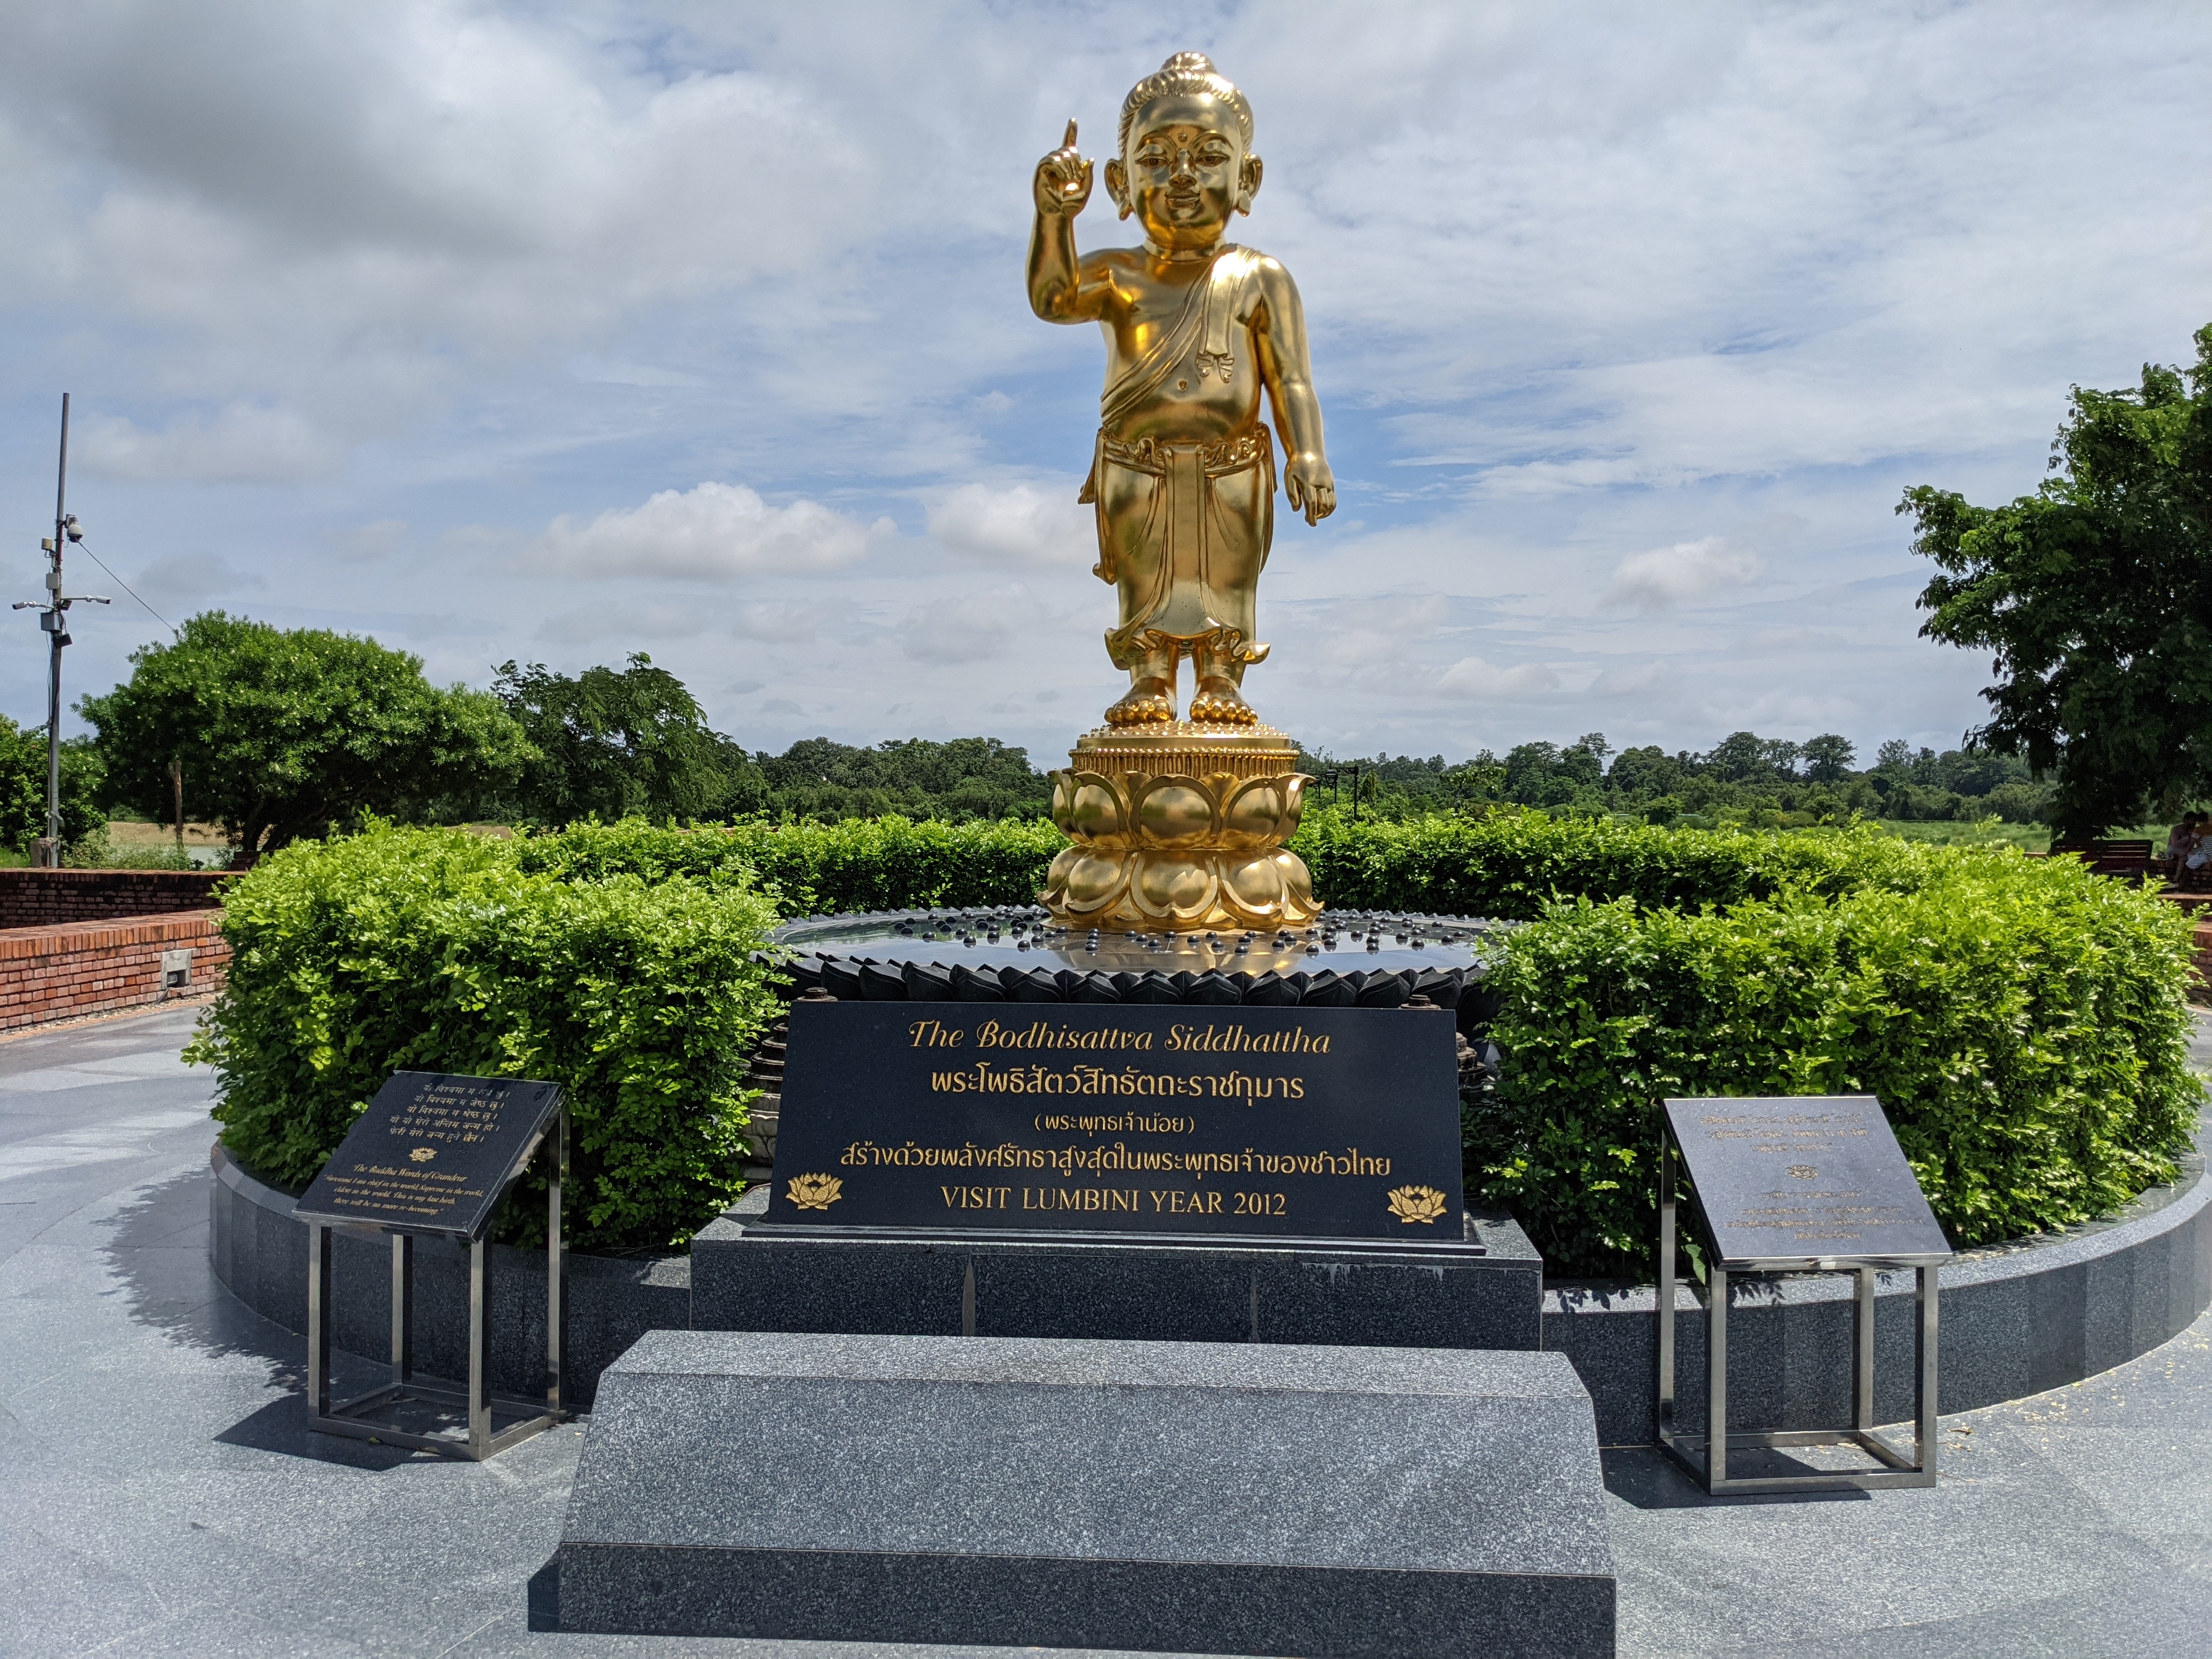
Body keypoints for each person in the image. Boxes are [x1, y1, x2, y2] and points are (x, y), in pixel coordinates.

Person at [1027, 53, 1335, 727]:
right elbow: (1051, 298)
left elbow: (1290, 377)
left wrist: (1306, 453)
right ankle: (1150, 677)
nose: (1183, 176)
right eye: (1157, 159)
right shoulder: (1116, 274)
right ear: (1119, 181)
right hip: (1136, 465)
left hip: (1234, 465)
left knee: (1229, 577)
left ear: (1248, 177)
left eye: (1208, 156)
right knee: (1145, 577)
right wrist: (1055, 217)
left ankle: (1222, 673)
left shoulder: (1261, 276)